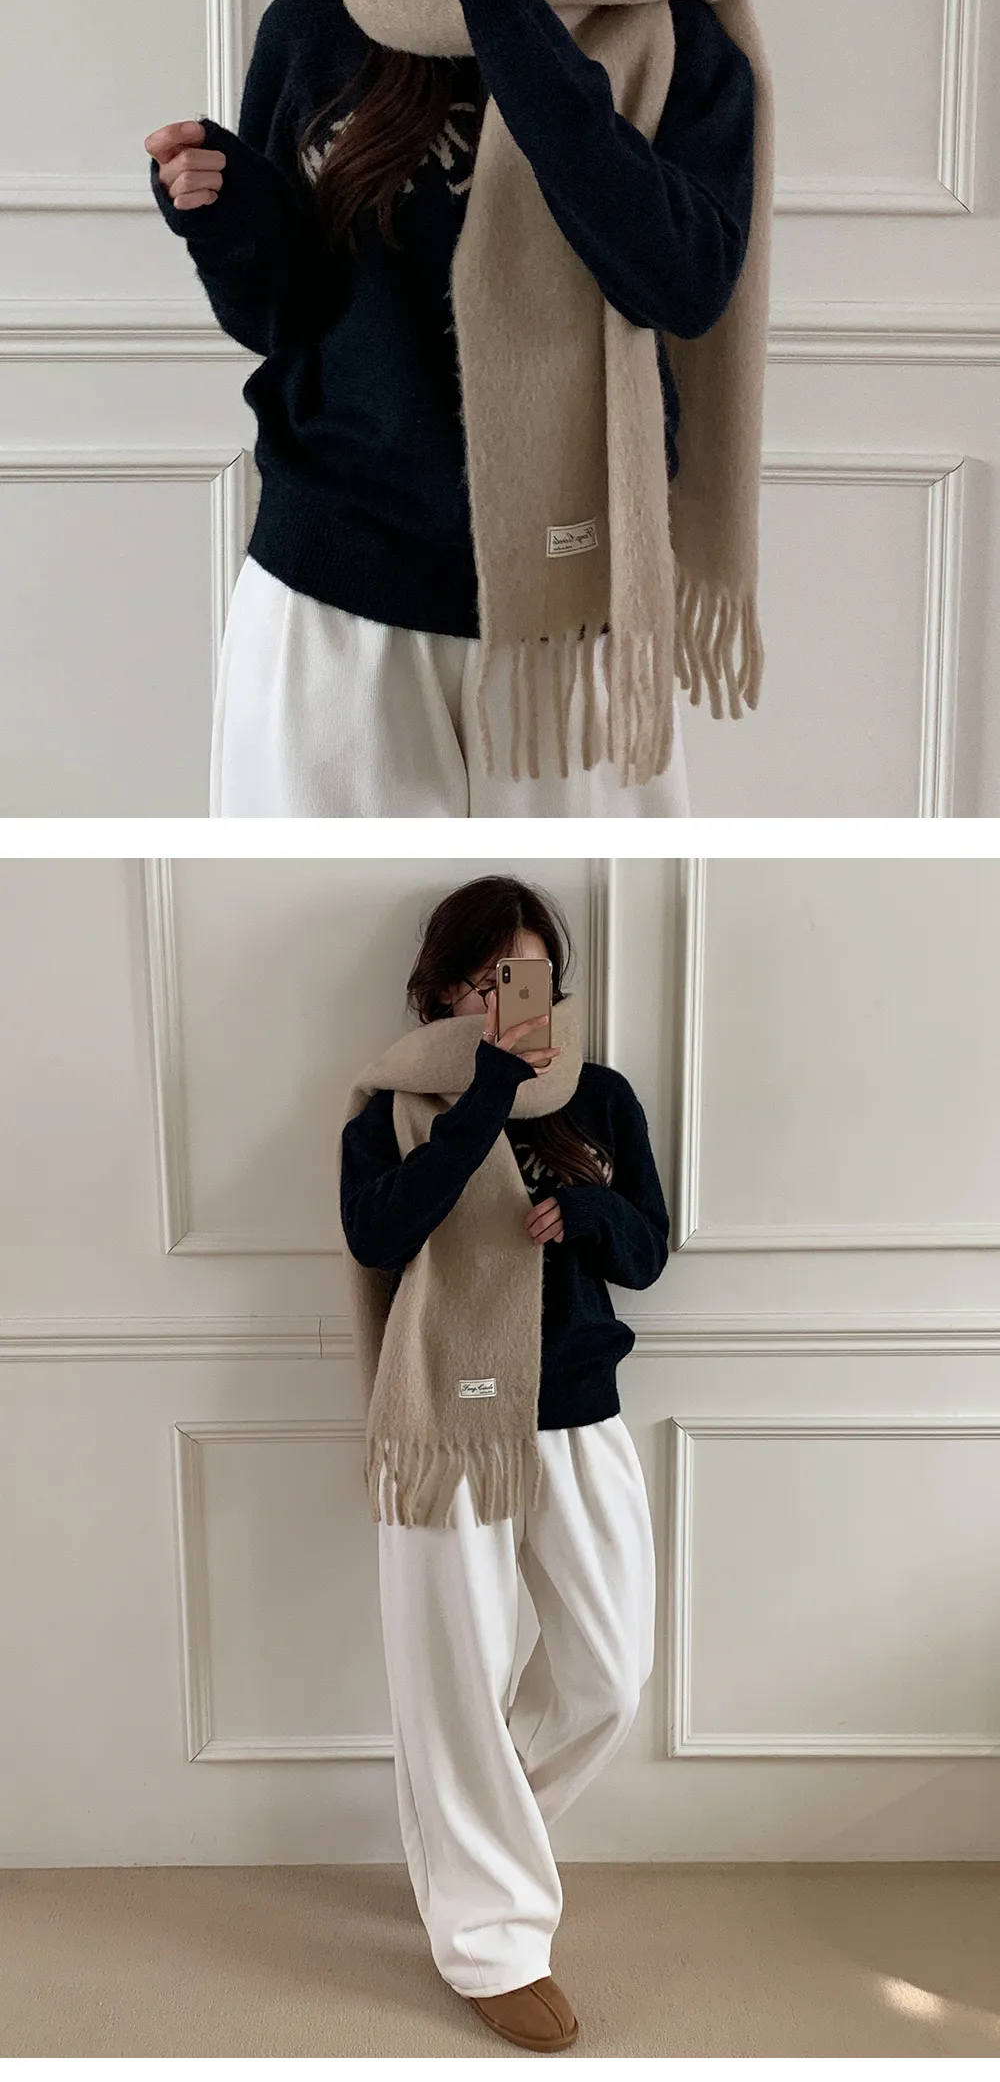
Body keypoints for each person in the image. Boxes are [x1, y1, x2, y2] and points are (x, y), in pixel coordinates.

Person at [147, 0, 765, 818]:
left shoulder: (674, 36)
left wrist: (509, 12)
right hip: (334, 607)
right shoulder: (317, 29)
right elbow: (284, 319)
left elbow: (680, 281)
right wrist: (226, 218)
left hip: (571, 624)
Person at [339, 875, 669, 2052]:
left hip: (576, 1414)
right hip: (447, 1425)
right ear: (438, 987)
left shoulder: (601, 1096)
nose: (500, 998)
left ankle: (466, 1852)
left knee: (609, 1675)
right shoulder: (391, 1107)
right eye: (481, 979)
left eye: (521, 976)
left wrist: (588, 1215)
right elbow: (379, 1233)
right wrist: (482, 1096)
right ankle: (489, 1937)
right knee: (455, 1683)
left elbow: (647, 1254)